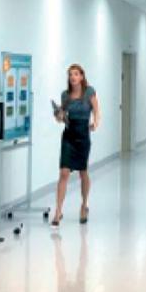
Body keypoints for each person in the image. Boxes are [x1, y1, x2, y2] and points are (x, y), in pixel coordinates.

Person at [52, 64, 100, 227]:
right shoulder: (65, 95)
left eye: (76, 74)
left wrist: (96, 122)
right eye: (70, 74)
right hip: (69, 136)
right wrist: (59, 116)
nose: (73, 77)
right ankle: (58, 211)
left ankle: (84, 205)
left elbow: (96, 109)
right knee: (64, 172)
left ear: (81, 76)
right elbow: (62, 117)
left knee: (83, 172)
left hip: (83, 136)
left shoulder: (89, 92)